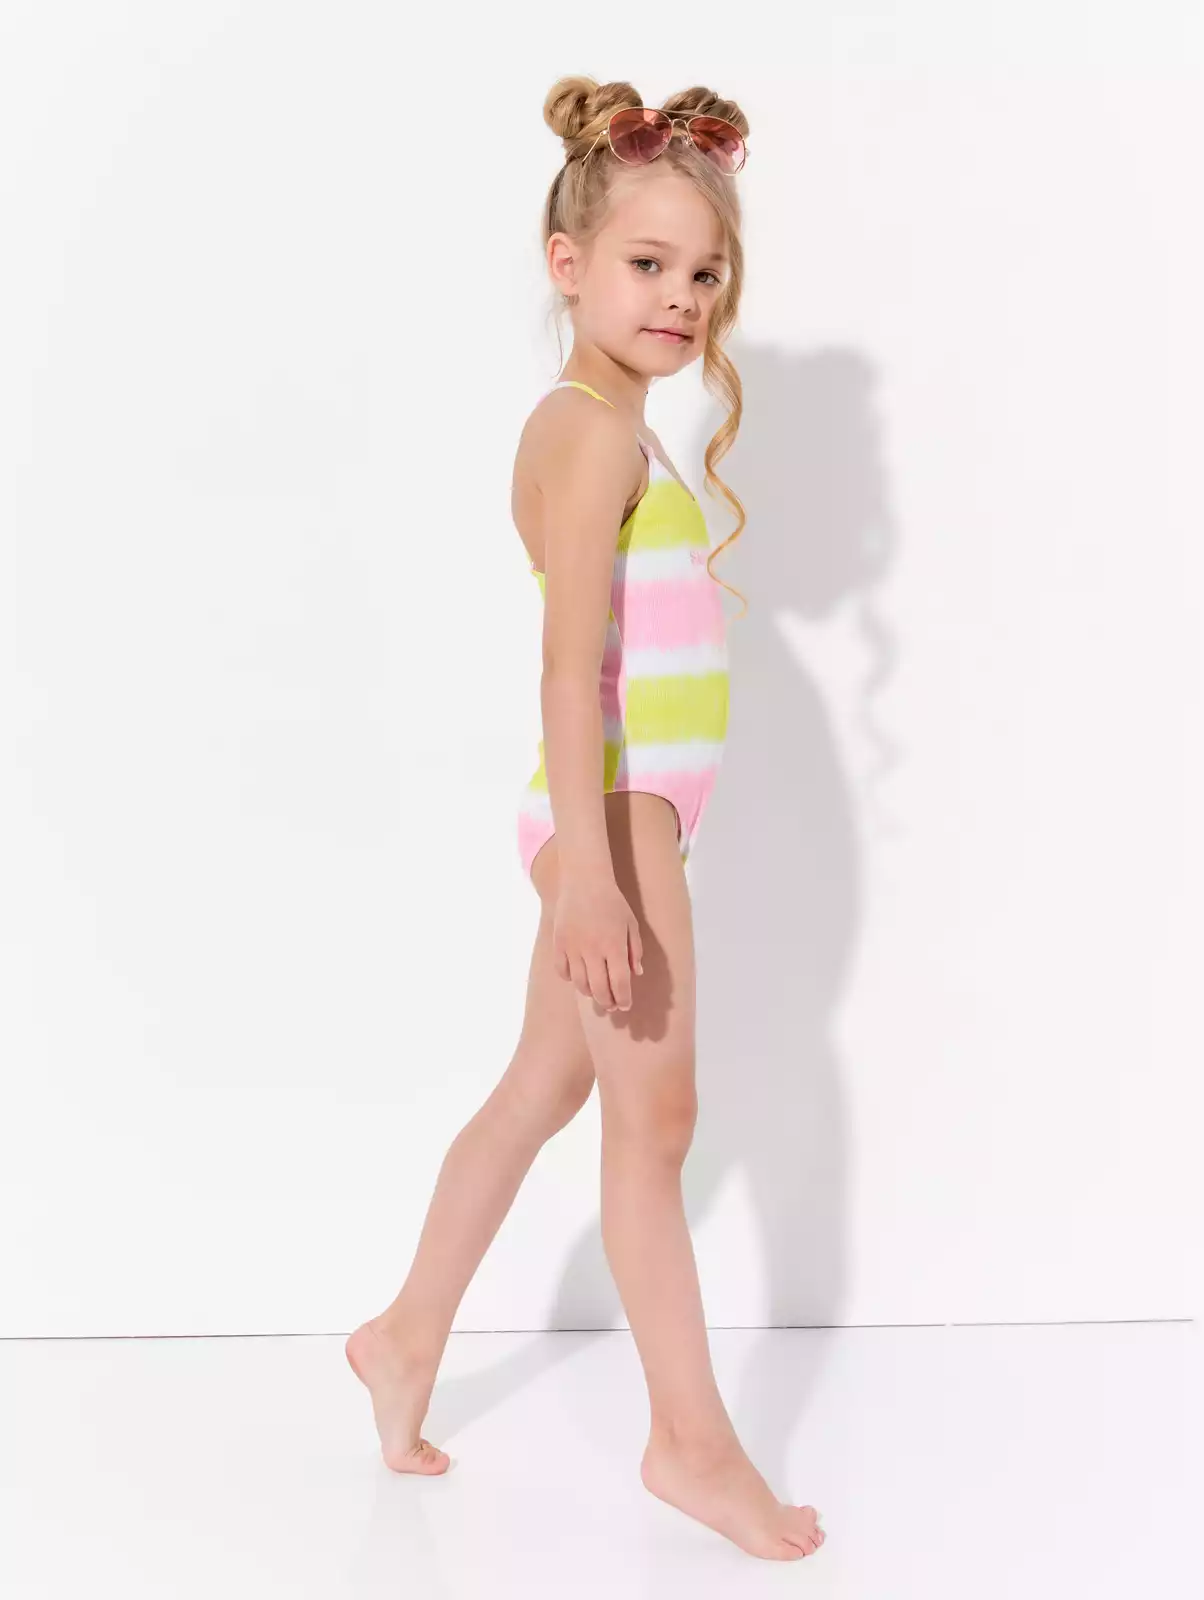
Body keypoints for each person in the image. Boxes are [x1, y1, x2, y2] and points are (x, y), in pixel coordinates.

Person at [345, 75, 825, 1564]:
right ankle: (691, 1445)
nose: (681, 298)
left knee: (540, 1090)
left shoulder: (608, 426)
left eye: (705, 274)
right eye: (647, 264)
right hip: (613, 820)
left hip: (618, 816)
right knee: (653, 1126)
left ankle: (402, 1334)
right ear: (569, 264)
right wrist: (597, 881)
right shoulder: (593, 436)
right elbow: (568, 673)